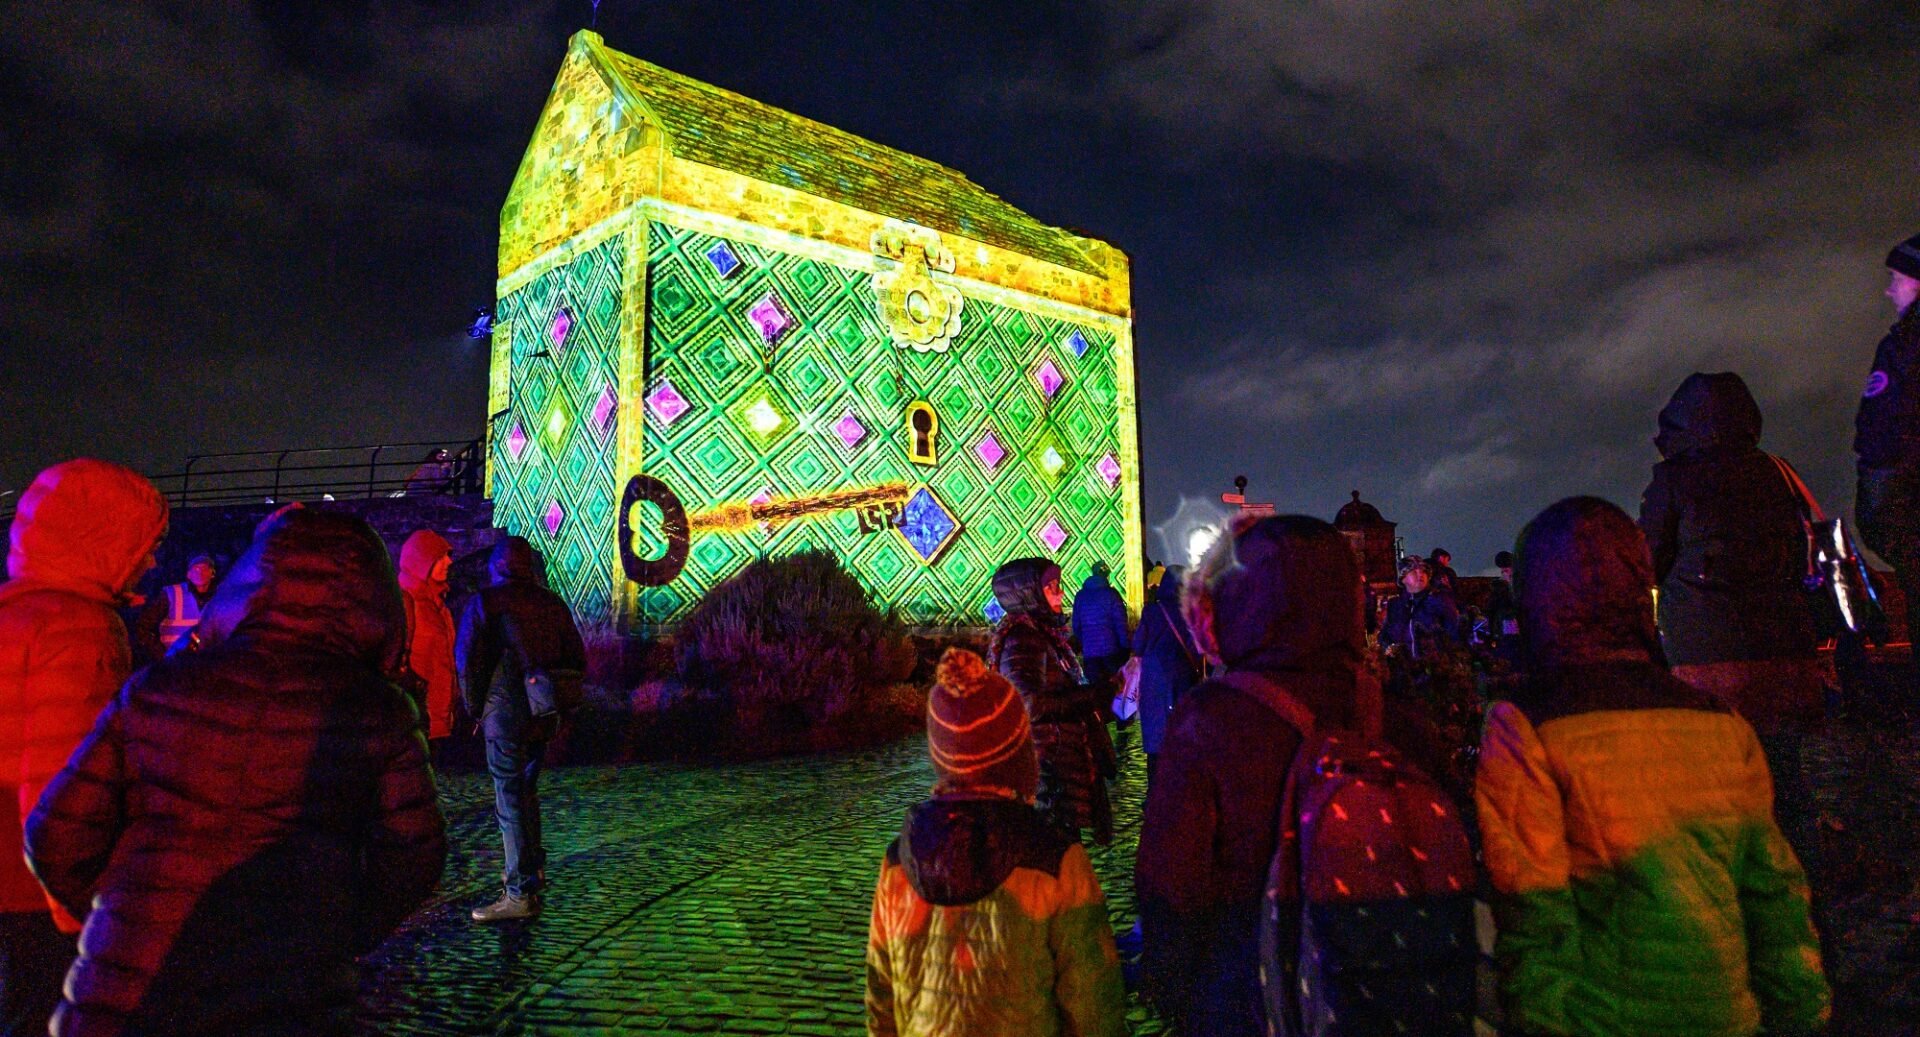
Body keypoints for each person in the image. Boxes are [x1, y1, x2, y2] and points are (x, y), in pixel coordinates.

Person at [24, 508, 445, 1037]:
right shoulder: (377, 712)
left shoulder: (159, 686)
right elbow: (413, 855)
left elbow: (55, 831)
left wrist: (121, 914)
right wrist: (339, 929)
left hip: (130, 996)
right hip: (289, 997)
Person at [1476, 497, 1829, 1037]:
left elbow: (1534, 918)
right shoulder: (1721, 723)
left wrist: (1545, 1019)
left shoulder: (1526, 729)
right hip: (1730, 1016)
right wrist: (1799, 1013)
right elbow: (1774, 895)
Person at [1136, 515, 1384, 1037]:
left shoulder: (1210, 719)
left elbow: (1171, 880)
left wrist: (1171, 986)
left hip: (1244, 986)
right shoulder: (1390, 710)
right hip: (1372, 981)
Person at [864, 649, 1125, 1037]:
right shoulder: (1055, 861)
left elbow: (881, 1001)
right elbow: (1093, 1007)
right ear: (1019, 755)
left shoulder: (899, 861)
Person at [0, 459, 167, 1036]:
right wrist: (72, 906)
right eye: (142, 545)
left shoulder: (13, 610)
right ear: (101, 541)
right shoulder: (79, 625)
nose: (149, 561)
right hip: (30, 881)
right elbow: (61, 775)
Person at [456, 536, 586, 922]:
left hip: (504, 718)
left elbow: (467, 663)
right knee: (526, 793)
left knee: (509, 801)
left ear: (496, 566)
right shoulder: (551, 603)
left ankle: (518, 893)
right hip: (541, 716)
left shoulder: (487, 603)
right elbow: (576, 656)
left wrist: (475, 708)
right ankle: (532, 870)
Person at [990, 558, 1111, 846]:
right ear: (1029, 593)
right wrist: (1092, 696)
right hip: (1046, 773)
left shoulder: (1043, 636)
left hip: (1056, 770)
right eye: (1051, 587)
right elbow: (1028, 704)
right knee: (1057, 860)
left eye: (1059, 585)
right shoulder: (1023, 640)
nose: (1060, 594)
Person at [1856, 233, 1920, 666]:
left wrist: (1883, 478)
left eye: (1896, 278)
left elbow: (1885, 422)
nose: (1889, 289)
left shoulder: (1904, 347)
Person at [1130, 566, 1201, 782]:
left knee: (1156, 736)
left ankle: (1155, 789)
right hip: (1183, 676)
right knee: (1181, 732)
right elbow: (1197, 647)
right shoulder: (1189, 611)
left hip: (1153, 678)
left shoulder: (1152, 611)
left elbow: (1138, 644)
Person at [398, 530, 458, 747]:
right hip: (417, 716)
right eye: (440, 557)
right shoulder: (406, 602)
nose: (449, 562)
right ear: (421, 561)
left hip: (439, 715)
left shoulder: (440, 606)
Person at [133, 554, 218, 663]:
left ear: (212, 574)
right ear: (188, 574)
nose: (200, 572)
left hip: (205, 665)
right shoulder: (171, 593)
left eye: (205, 568)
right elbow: (143, 626)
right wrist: (162, 655)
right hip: (175, 664)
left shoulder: (220, 596)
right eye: (196, 568)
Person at [1380, 555, 1460, 660]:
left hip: (1434, 668)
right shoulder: (1396, 606)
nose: (1420, 575)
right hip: (1405, 669)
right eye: (1414, 571)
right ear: (1403, 578)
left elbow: (1454, 632)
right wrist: (1390, 648)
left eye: (1423, 571)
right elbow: (1386, 635)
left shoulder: (1439, 601)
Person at [1070, 561, 1130, 694]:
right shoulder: (1112, 594)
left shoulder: (1081, 596)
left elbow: (1076, 625)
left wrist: (1086, 643)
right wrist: (1125, 646)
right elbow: (1121, 624)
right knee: (1116, 690)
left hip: (1090, 654)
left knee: (1096, 692)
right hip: (1112, 651)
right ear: (1106, 575)